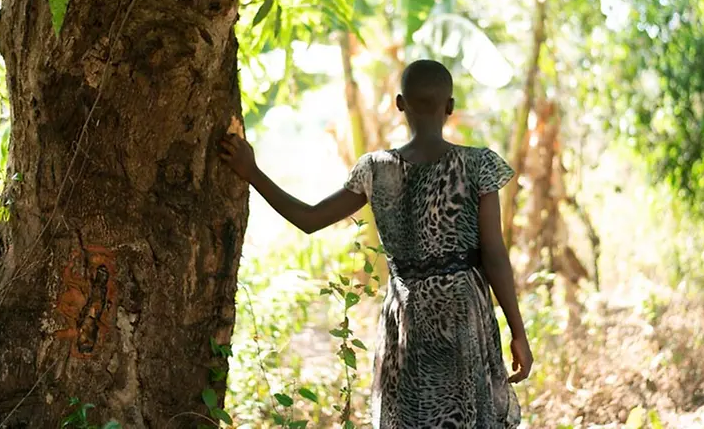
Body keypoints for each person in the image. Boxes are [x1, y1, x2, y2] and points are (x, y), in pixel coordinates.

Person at [220, 59, 532, 428]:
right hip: (463, 315)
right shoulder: (477, 165)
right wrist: (518, 333)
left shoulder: (375, 169)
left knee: (411, 417)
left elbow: (309, 219)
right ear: (450, 107)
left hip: (407, 315)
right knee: (464, 415)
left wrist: (252, 172)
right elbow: (495, 255)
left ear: (400, 104)